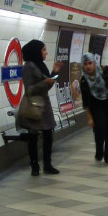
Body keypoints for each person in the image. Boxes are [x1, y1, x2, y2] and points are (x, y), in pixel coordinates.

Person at [19, 39, 63, 176]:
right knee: (33, 137)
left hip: (45, 106)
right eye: (43, 49)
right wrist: (44, 82)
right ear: (36, 51)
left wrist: (55, 72)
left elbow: (48, 84)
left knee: (48, 135)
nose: (46, 52)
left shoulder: (40, 65)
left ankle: (47, 165)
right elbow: (29, 90)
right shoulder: (28, 67)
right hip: (34, 107)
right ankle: (35, 166)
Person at [79, 52, 108, 164]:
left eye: (90, 63)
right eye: (85, 64)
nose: (88, 66)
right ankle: (99, 150)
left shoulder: (106, 71)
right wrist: (90, 118)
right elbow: (86, 102)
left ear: (95, 63)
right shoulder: (84, 80)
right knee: (100, 130)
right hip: (97, 109)